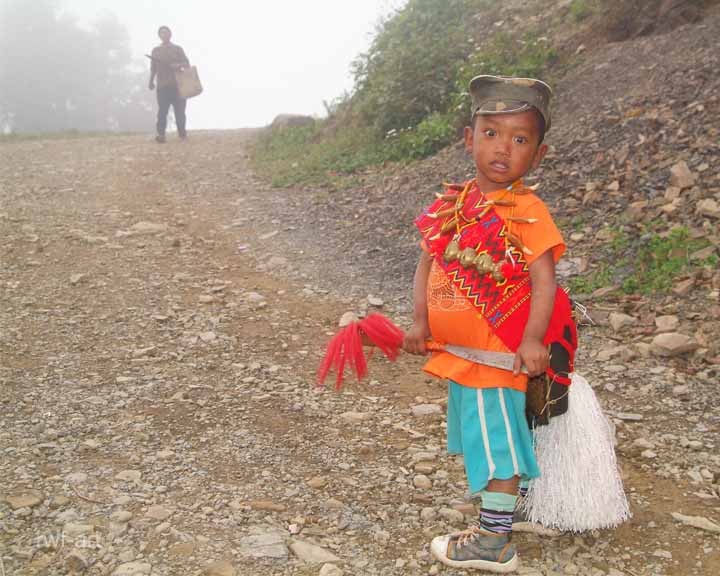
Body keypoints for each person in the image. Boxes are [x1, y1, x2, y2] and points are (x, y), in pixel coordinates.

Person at [404, 75, 576, 573]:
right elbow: (427, 266)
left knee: (496, 442)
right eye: (491, 133)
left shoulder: (527, 212)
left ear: (538, 155)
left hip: (499, 357)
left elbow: (545, 283)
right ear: (468, 139)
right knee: (486, 437)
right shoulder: (449, 207)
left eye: (520, 139)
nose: (504, 148)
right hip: (463, 358)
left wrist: (530, 340)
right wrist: (419, 321)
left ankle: (494, 543)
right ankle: (501, 512)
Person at [148, 25, 190, 143]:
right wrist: (151, 82)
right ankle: (161, 134)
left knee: (180, 111)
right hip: (162, 86)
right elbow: (153, 68)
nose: (163, 35)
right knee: (162, 111)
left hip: (178, 85)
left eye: (166, 33)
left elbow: (187, 64)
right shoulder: (155, 51)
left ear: (170, 35)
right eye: (161, 33)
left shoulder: (177, 49)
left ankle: (182, 134)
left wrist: (177, 65)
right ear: (159, 36)